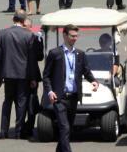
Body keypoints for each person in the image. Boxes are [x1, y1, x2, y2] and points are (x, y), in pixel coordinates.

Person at [42, 24, 99, 152]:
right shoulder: (55, 53)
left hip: (73, 98)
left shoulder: (80, 54)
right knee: (64, 128)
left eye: (76, 36)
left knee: (67, 129)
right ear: (64, 35)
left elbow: (86, 71)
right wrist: (50, 91)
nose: (75, 38)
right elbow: (46, 76)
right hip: (59, 98)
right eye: (72, 36)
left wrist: (93, 81)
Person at [0, 10, 39, 140]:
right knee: (21, 103)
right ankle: (18, 132)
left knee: (7, 101)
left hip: (8, 74)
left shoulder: (3, 33)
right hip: (23, 75)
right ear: (24, 20)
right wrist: (32, 78)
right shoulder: (29, 35)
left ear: (13, 20)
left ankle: (3, 131)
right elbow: (31, 59)